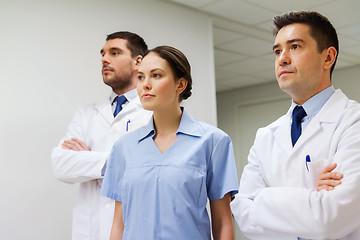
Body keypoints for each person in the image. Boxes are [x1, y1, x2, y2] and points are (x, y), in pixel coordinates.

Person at [231, 10, 360, 240]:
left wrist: (262, 198)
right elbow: (243, 215)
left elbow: (333, 216)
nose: (282, 58)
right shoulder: (266, 136)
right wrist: (311, 195)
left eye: (295, 47)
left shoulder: (353, 122)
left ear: (328, 57)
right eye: (278, 51)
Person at [100, 46, 239, 240]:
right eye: (140, 77)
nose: (145, 84)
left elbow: (223, 223)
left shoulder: (213, 141)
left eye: (156, 75)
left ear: (180, 84)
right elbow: (118, 225)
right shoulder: (123, 148)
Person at [51, 31, 152, 240]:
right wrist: (114, 163)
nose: (104, 59)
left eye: (114, 53)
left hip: (135, 230)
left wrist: (88, 160)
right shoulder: (86, 114)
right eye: (103, 54)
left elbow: (149, 170)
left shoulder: (153, 112)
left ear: (138, 61)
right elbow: (60, 164)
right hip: (90, 230)